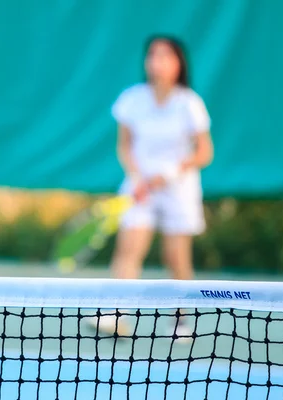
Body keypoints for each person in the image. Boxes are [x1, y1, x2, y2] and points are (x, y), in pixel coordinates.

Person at [90, 35, 214, 341]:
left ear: (178, 64)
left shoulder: (190, 103)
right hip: (139, 187)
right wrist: (137, 178)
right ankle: (117, 315)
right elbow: (124, 147)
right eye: (152, 55)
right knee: (129, 248)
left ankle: (182, 320)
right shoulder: (132, 99)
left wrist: (169, 173)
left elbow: (204, 152)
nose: (156, 62)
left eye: (165, 56)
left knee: (176, 257)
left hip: (179, 189)